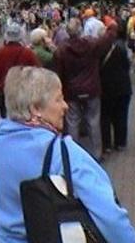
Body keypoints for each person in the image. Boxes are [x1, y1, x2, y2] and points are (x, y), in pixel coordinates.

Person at [0, 66, 135, 243]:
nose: (65, 106)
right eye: (58, 99)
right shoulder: (62, 151)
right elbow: (110, 217)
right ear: (36, 108)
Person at [53, 17, 116, 161]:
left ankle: (74, 156)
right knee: (93, 121)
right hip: (91, 88)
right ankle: (96, 154)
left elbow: (59, 72)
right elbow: (107, 39)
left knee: (72, 122)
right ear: (81, 30)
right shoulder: (91, 45)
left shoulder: (61, 50)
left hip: (71, 91)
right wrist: (112, 25)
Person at [0, 23, 40, 119]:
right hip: (24, 93)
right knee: (24, 119)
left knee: (5, 119)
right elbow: (37, 71)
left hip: (5, 91)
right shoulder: (28, 53)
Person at [100, 21, 132, 153]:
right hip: (123, 86)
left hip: (106, 86)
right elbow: (127, 66)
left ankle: (106, 144)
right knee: (122, 115)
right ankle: (121, 142)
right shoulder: (122, 48)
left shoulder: (100, 48)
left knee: (105, 116)